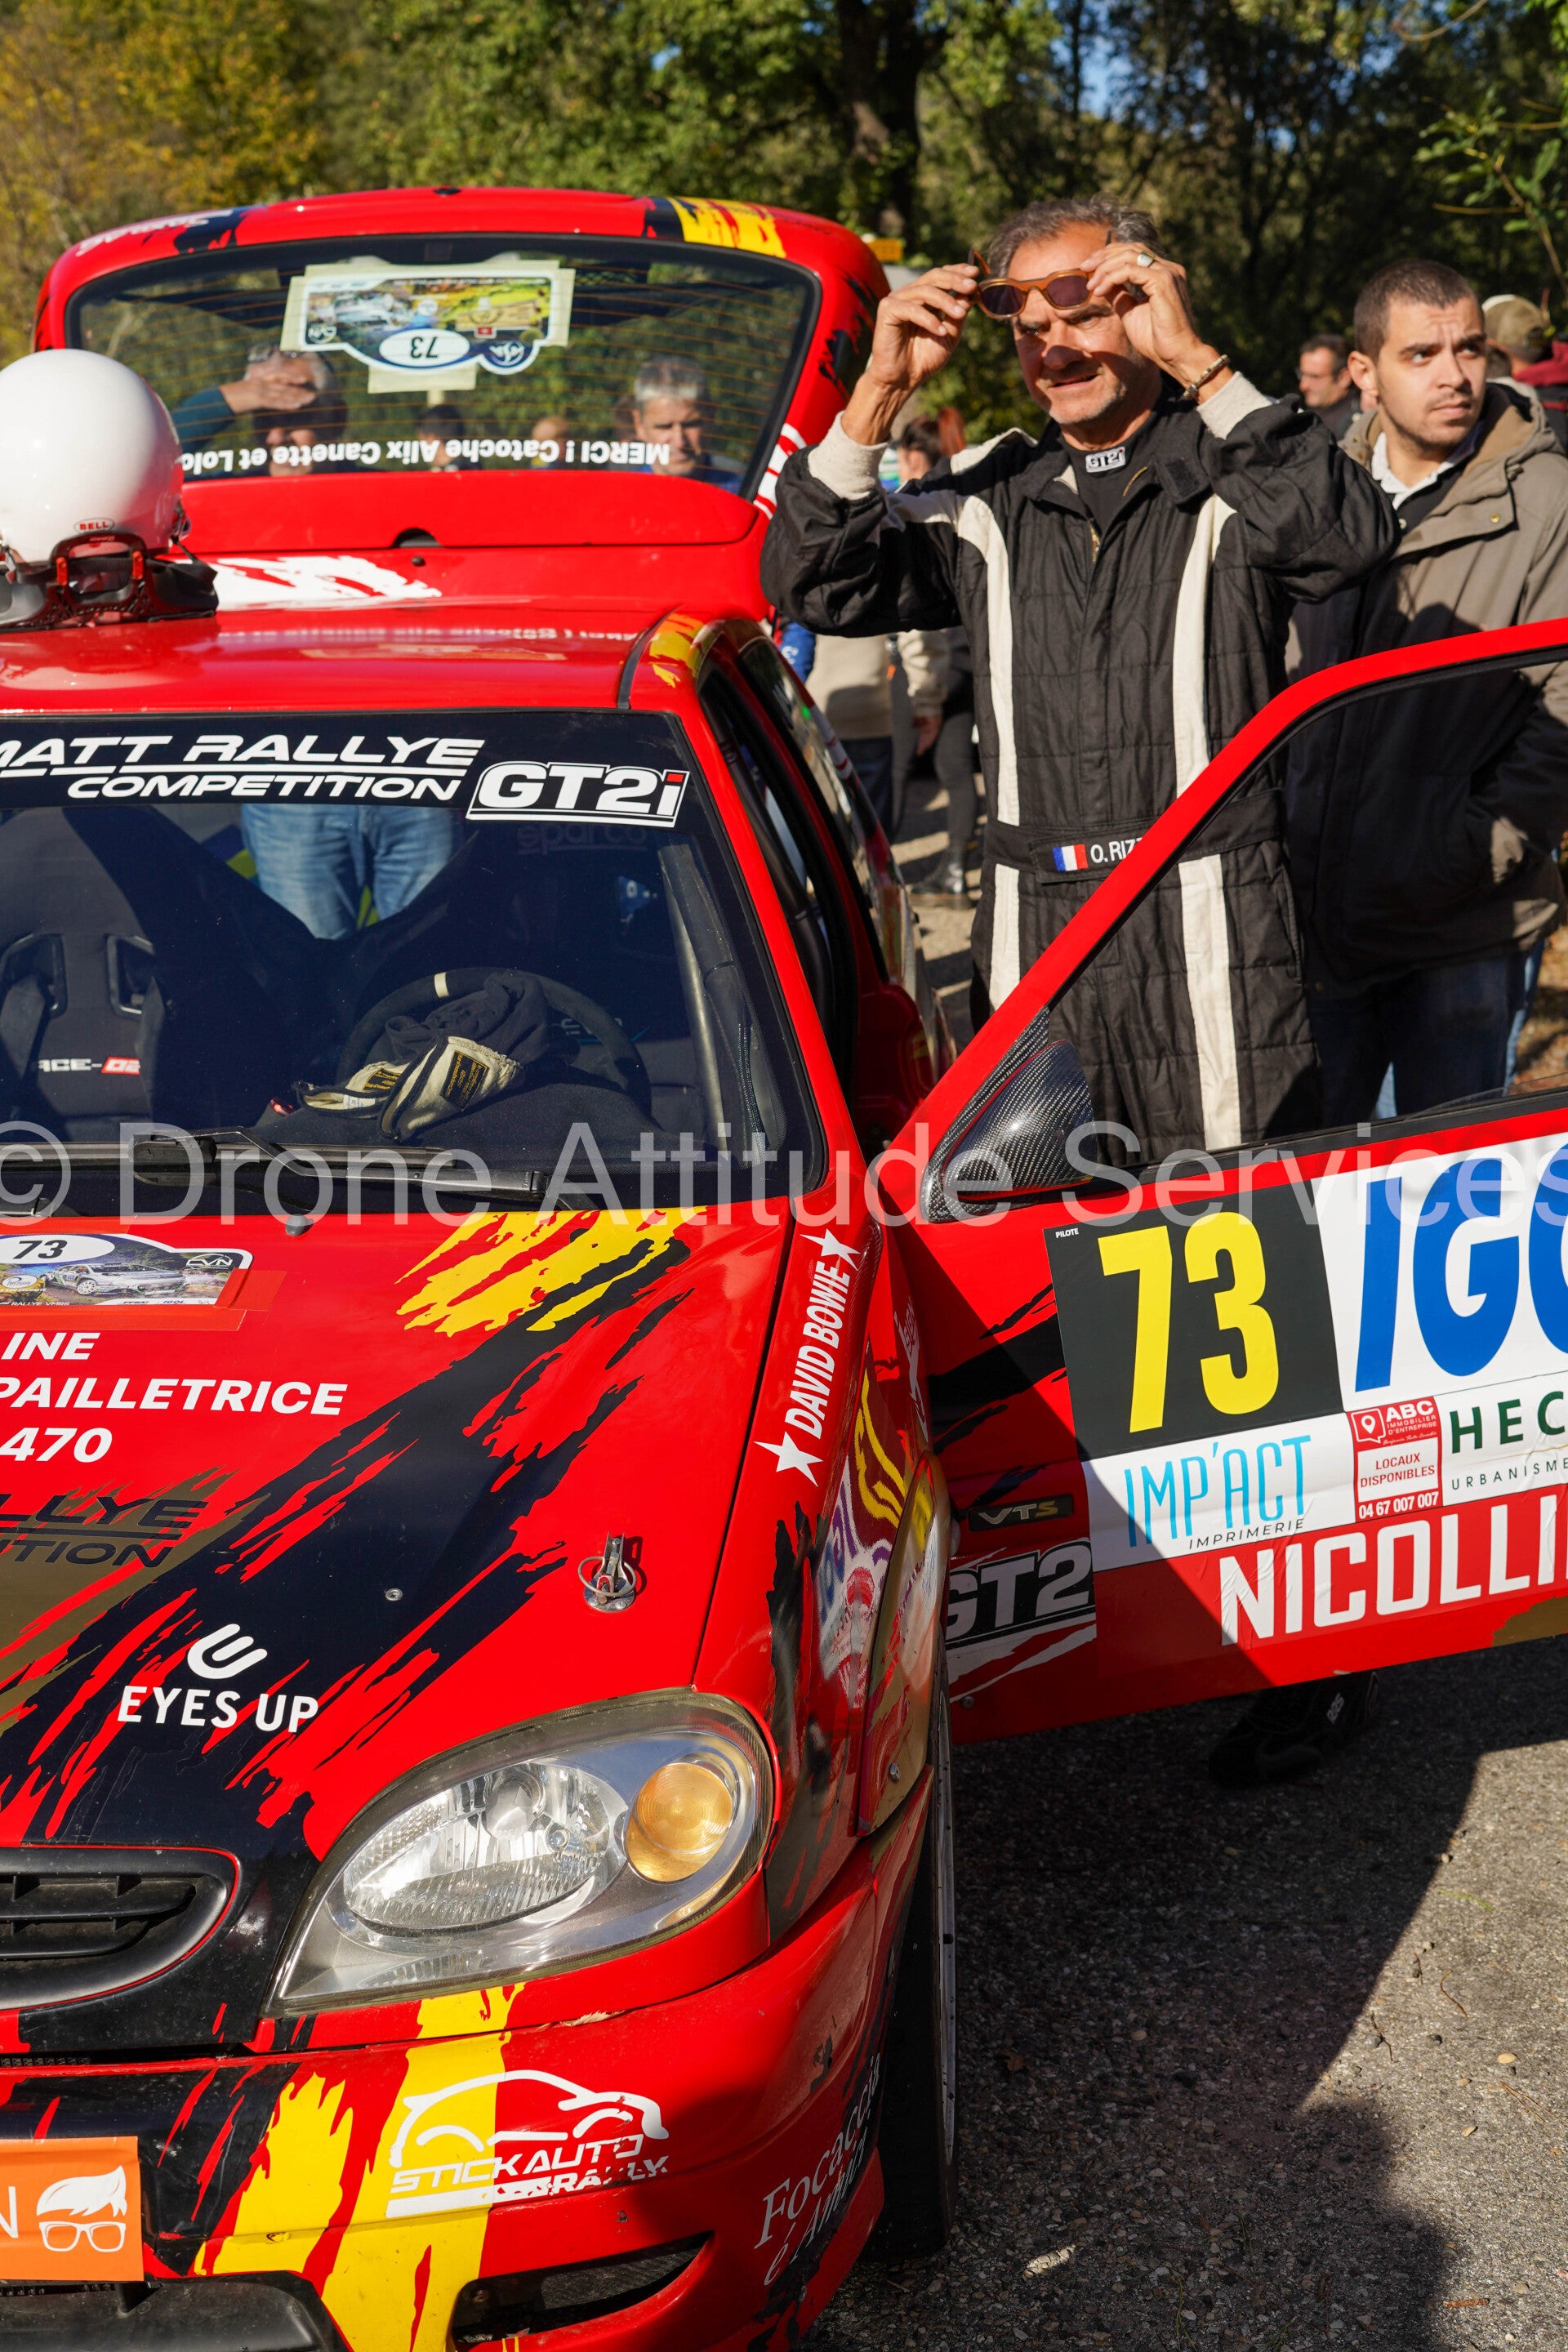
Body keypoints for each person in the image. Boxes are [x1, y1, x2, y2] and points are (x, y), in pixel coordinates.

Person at [763, 194, 1396, 1162]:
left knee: (1232, 1219)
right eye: (1028, 328)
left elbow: (1345, 539)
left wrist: (1197, 360)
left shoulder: (1231, 462)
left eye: (1084, 313)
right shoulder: (987, 494)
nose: (1053, 350)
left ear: (1147, 303)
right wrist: (879, 393)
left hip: (1214, 918)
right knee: (1045, 1228)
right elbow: (811, 581)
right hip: (1038, 932)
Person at [1286, 258, 1568, 1125]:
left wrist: (1474, 848)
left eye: (1469, 348)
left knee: (1446, 1181)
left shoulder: (1549, 497)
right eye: (1421, 355)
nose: (1454, 375)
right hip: (1318, 919)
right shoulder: (1316, 489)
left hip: (1464, 930)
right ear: (1364, 373)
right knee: (1318, 1178)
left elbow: (1564, 704)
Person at [892, 416, 982, 902]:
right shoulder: (966, 498)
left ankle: (880, 875)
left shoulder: (916, 505)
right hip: (968, 658)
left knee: (897, 767)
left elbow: (916, 614)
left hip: (929, 661)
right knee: (956, 770)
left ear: (912, 456)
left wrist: (924, 698)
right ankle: (955, 871)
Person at [804, 621, 948, 835]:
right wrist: (928, 703)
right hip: (867, 710)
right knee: (871, 832)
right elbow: (917, 634)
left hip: (813, 707)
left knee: (821, 828)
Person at [172, 345, 327, 455]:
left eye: (294, 417)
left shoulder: (344, 485)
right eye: (264, 419)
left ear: (336, 418)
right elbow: (159, 459)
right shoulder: (226, 488)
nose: (277, 438)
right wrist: (225, 399)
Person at [630, 357, 742, 487]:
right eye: (665, 427)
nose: (680, 442)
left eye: (691, 424)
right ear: (639, 425)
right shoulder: (621, 495)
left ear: (711, 417)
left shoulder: (743, 494)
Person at [1298, 332, 1359, 439]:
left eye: (1315, 377)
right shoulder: (1309, 416)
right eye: (1302, 375)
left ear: (1344, 377)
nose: (1303, 386)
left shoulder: (1355, 425)